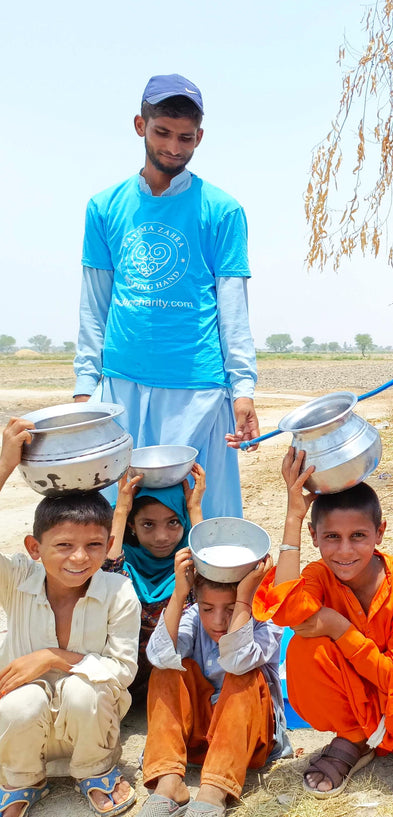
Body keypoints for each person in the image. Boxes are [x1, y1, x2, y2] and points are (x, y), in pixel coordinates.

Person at [252, 449, 393, 810]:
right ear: (314, 536)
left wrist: (338, 626)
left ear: (380, 532)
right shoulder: (317, 577)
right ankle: (354, 738)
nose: (345, 551)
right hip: (358, 701)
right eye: (332, 537)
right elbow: (288, 613)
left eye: (358, 535)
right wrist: (293, 516)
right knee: (302, 646)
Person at [74, 72, 260, 519]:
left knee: (204, 512)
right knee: (119, 511)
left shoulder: (222, 210)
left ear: (200, 136)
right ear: (141, 125)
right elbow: (94, 303)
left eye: (186, 137)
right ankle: (122, 592)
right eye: (162, 133)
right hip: (121, 384)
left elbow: (233, 308)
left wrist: (243, 389)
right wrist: (85, 390)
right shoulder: (104, 207)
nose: (174, 147)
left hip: (197, 387)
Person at [0, 418, 140, 817]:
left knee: (84, 690)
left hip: (92, 727)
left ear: (109, 545)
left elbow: (123, 671)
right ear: (33, 547)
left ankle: (94, 772)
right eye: (63, 545)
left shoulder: (117, 591)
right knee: (19, 701)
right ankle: (20, 779)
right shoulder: (16, 578)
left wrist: (53, 656)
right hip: (21, 731)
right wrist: (6, 463)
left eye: (93, 545)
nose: (79, 558)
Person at [140, 548, 290, 817]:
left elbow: (238, 661)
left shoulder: (266, 623)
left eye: (230, 609)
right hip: (197, 740)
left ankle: (214, 789)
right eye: (208, 608)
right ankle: (169, 782)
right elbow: (158, 656)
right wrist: (179, 593)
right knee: (169, 667)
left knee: (244, 673)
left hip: (249, 740)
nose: (219, 620)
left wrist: (244, 601)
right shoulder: (193, 617)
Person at [103, 467, 204, 692]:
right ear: (132, 525)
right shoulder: (123, 563)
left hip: (180, 676)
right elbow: (108, 571)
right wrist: (121, 510)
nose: (161, 537)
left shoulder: (189, 560)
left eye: (173, 522)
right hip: (126, 678)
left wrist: (194, 508)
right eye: (148, 524)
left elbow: (209, 575)